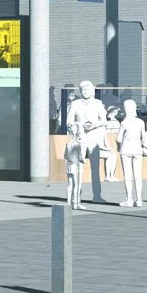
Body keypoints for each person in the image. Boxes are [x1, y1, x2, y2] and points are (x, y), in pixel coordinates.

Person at [63, 82, 104, 211]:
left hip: (93, 138)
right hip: (80, 139)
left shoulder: (98, 103)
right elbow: (68, 121)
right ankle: (77, 198)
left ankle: (97, 195)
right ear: (80, 91)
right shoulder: (75, 104)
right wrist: (79, 125)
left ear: (92, 90)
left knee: (95, 168)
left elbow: (104, 120)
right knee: (78, 169)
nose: (85, 91)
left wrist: (94, 125)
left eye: (88, 89)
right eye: (83, 89)